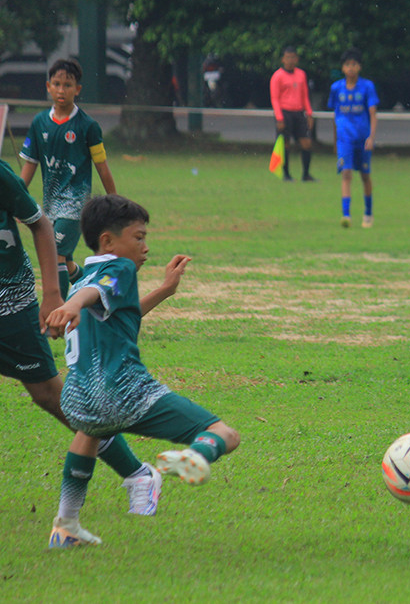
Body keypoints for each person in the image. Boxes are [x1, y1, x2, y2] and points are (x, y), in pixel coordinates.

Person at [45, 194, 240, 548]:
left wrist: (164, 290)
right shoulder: (118, 269)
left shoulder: (85, 273)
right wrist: (72, 305)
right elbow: (89, 296)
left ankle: (65, 525)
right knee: (225, 434)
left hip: (79, 397)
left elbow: (119, 313)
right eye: (138, 237)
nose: (145, 247)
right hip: (125, 390)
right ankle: (194, 456)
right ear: (108, 241)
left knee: (89, 433)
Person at [0, 160, 157, 518]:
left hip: (10, 303)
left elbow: (39, 223)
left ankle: (136, 473)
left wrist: (54, 295)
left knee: (50, 396)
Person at [19, 58, 117, 299]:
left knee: (54, 254)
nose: (62, 90)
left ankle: (58, 309)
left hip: (75, 205)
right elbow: (30, 165)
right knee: (67, 263)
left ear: (78, 89)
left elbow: (102, 168)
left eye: (68, 85)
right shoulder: (39, 122)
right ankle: (95, 287)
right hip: (51, 205)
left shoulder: (88, 126)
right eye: (57, 84)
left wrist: (116, 203)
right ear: (48, 86)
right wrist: (16, 197)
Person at [328, 49, 379, 228]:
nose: (351, 68)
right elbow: (335, 115)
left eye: (354, 64)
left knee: (365, 175)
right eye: (347, 64)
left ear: (359, 67)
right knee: (346, 174)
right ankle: (346, 214)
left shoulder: (367, 87)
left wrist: (371, 137)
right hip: (344, 139)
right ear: (342, 68)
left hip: (362, 137)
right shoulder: (336, 88)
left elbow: (373, 114)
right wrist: (335, 140)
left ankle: (368, 213)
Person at [270, 46, 315, 182]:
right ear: (283, 59)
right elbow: (275, 98)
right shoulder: (277, 76)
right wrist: (279, 117)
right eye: (287, 57)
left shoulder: (301, 74)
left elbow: (305, 95)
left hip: (299, 112)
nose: (290, 60)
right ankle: (286, 174)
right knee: (286, 144)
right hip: (285, 113)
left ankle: (306, 174)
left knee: (306, 142)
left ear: (296, 59)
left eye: (293, 57)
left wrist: (309, 113)